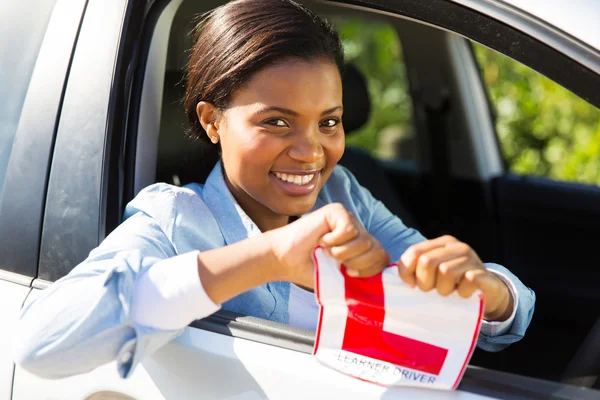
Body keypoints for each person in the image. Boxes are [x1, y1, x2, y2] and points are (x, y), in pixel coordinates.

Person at [14, 0, 535, 380]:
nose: (312, 152)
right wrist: (267, 258)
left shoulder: (344, 197)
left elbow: (509, 313)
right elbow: (39, 344)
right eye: (278, 123)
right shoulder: (177, 221)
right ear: (212, 121)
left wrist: (487, 290)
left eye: (329, 123)